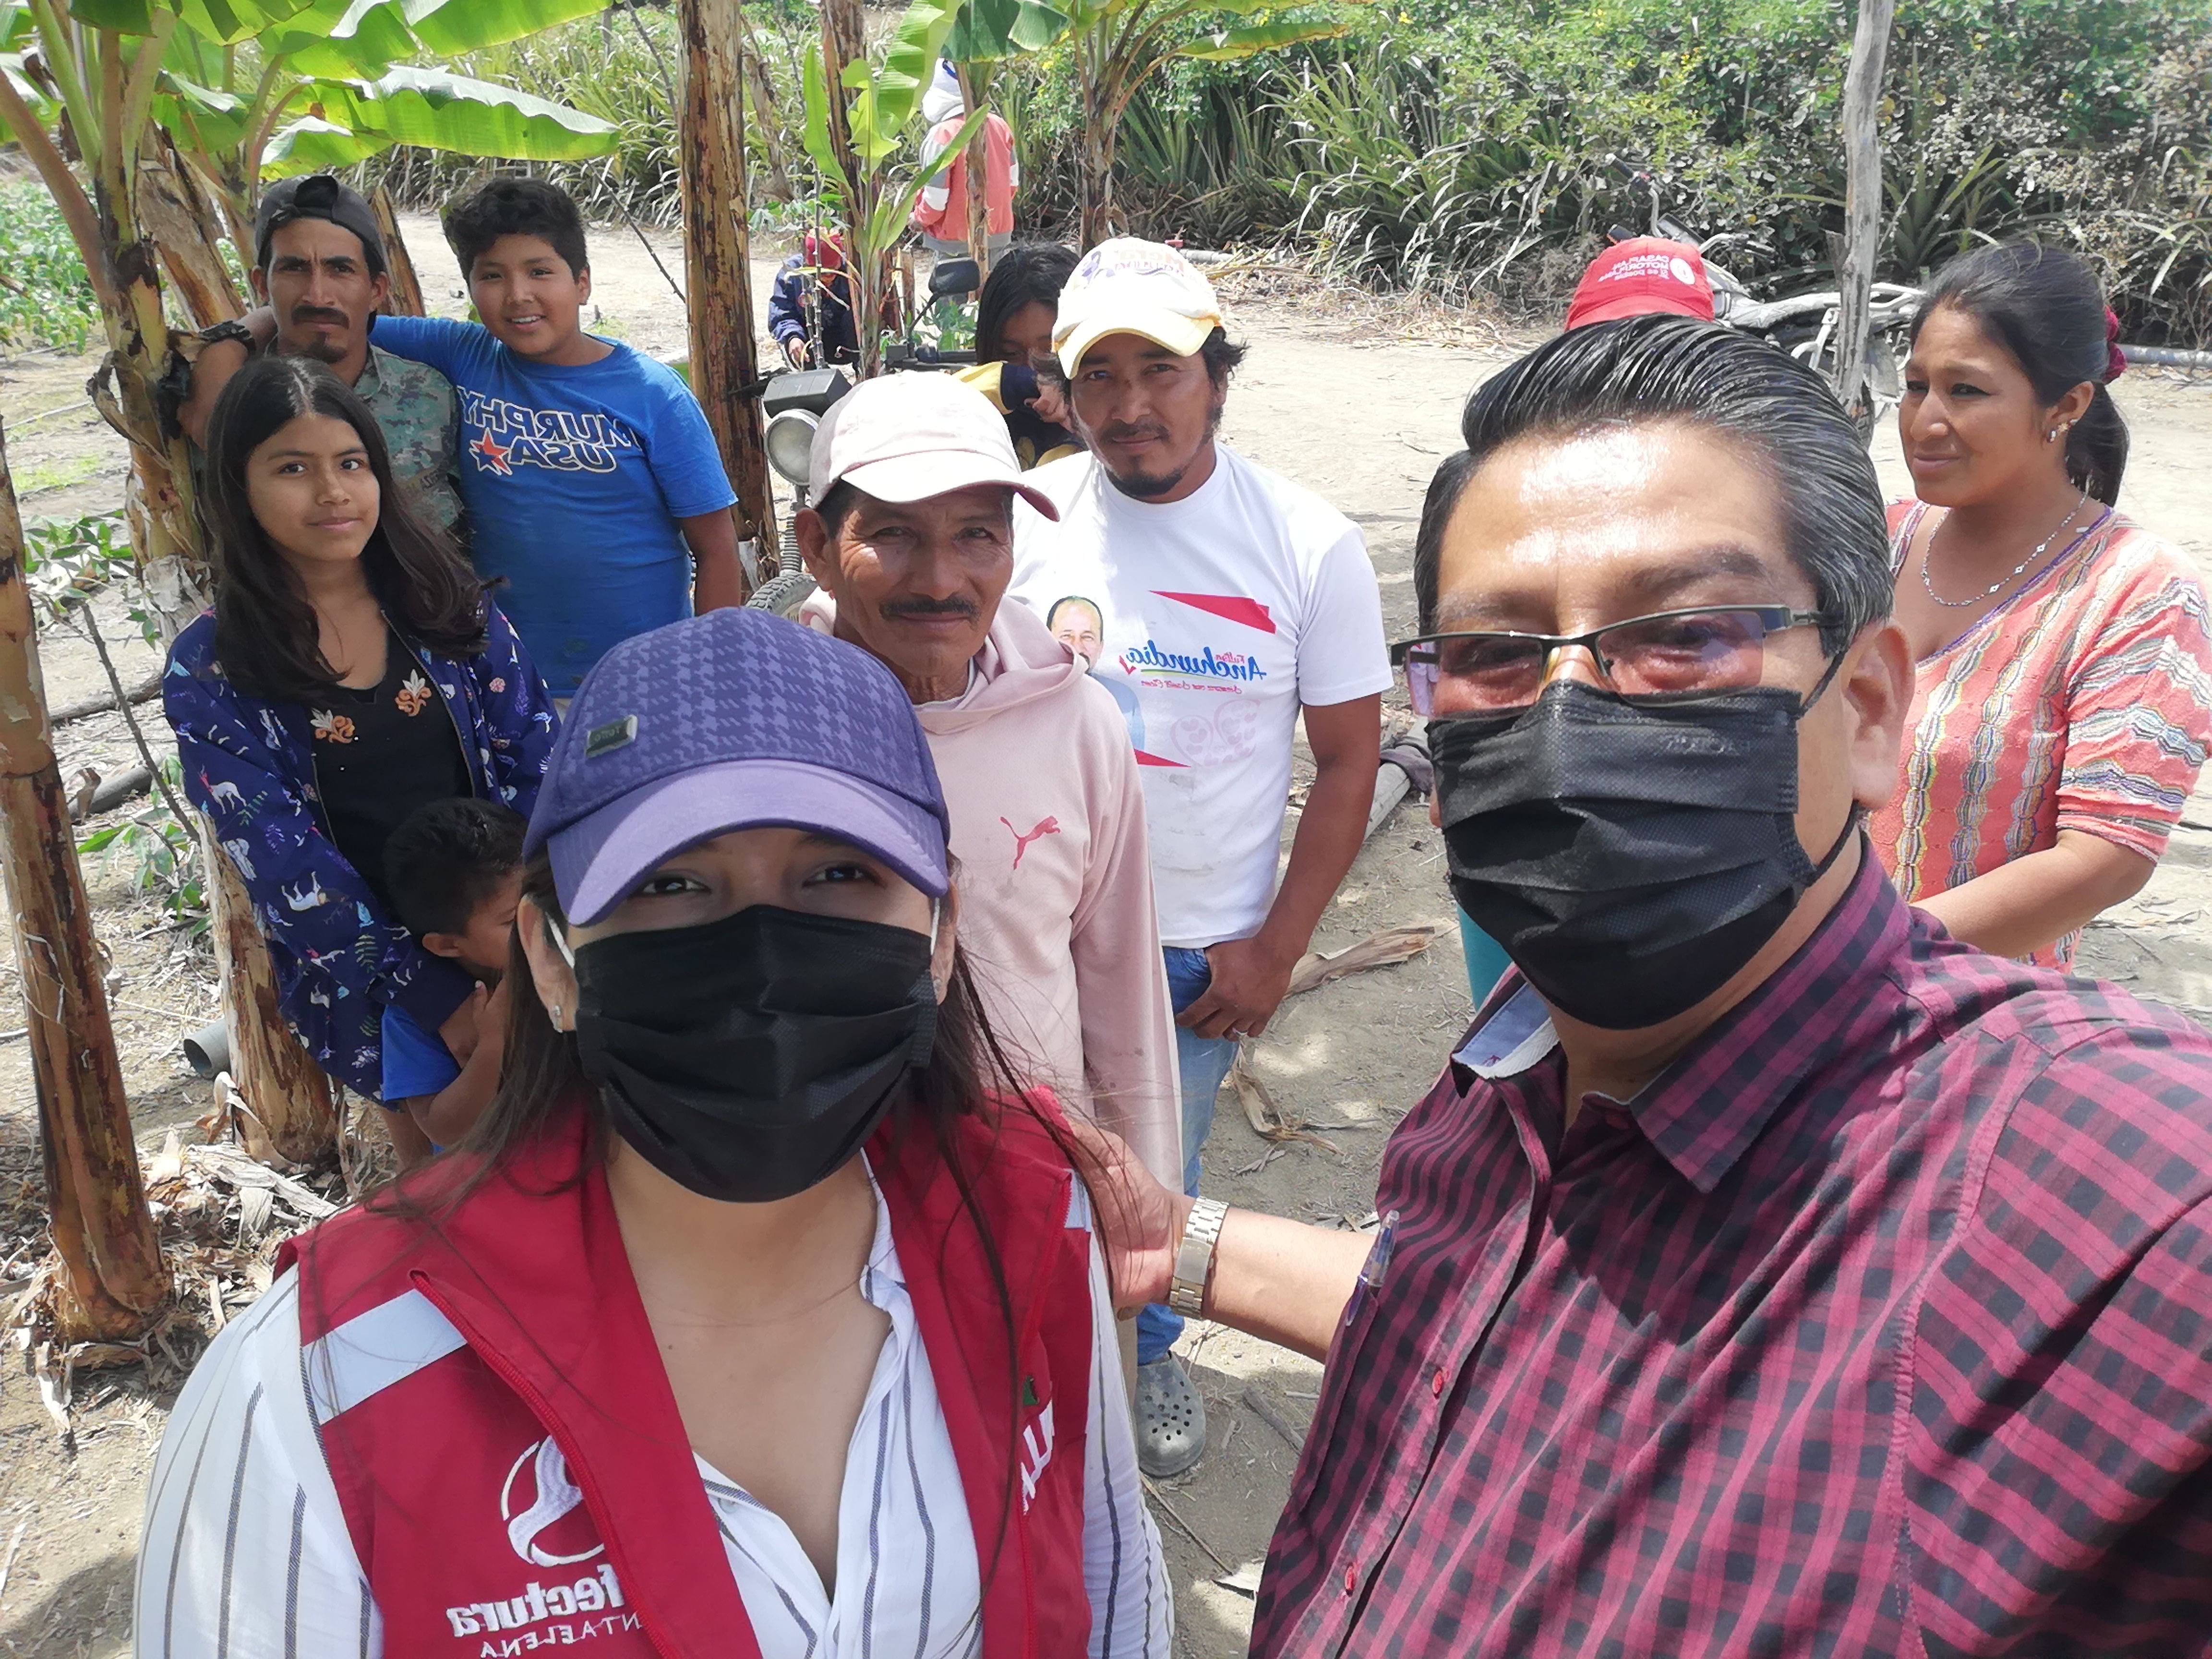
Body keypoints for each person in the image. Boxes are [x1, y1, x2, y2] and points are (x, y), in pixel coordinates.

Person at [1074, 313, 2212, 1654]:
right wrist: (1174, 1242)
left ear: (1866, 710)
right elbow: (1507, 1310)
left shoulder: (2103, 1205)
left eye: (1681, 633)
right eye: (1496, 655)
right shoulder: (1523, 1044)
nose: (1570, 713)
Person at [137, 607, 1170, 1659]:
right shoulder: (318, 1394)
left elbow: (1109, 1591)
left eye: (839, 874)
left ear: (942, 936)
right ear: (551, 962)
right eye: (671, 884)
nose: (763, 958)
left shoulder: (1033, 1216)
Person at [1010, 238, 1389, 1476]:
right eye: (1098, 375)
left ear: (1217, 377)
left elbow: (1349, 763)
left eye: (1161, 369)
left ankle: (1150, 1344)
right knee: (1015, 1155)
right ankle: (1025, 1352)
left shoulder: (1307, 543)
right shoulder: (1026, 522)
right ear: (1063, 392)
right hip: (1031, 927)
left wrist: (1275, 948)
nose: (1130, 405)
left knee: (1152, 1177)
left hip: (1192, 950)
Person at [793, 372, 1180, 1190]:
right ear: (818, 547)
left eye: (976, 534)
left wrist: (1141, 1192)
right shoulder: (769, 732)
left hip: (1033, 1182)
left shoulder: (1076, 722)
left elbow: (1120, 980)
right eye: (893, 534)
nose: (940, 581)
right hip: (830, 1196)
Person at [163, 357, 558, 1103]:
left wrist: (537, 942)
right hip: (369, 991)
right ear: (238, 487)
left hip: (521, 946)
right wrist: (434, 998)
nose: (333, 491)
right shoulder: (214, 667)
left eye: (351, 463)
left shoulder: (447, 604)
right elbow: (284, 864)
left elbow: (537, 767)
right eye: (292, 468)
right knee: (441, 1156)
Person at [1875, 240, 2212, 965]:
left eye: (1966, 391)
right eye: (1915, 385)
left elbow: (2105, 857)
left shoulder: (2138, 592)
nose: (1924, 421)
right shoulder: (1877, 541)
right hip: (1779, 986)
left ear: (2066, 405)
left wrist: (1866, 960)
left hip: (1966, 1008)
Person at [367, 176, 746, 694]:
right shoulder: (466, 354)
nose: (518, 295)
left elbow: (717, 548)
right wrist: (252, 327)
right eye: (492, 275)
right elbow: (340, 323)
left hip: (644, 677)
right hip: (508, 678)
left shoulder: (653, 395)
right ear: (471, 288)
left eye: (540, 271)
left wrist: (714, 675)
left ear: (582, 283)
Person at [178, 173, 463, 536]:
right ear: (262, 285)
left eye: (340, 269)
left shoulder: (429, 395)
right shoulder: (221, 395)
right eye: (294, 268)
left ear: (376, 290)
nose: (317, 295)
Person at [379, 797, 528, 1166]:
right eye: (513, 920)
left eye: (547, 899)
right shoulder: (413, 1020)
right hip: (492, 1181)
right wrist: (494, 1044)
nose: (543, 922)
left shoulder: (574, 968)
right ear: (447, 945)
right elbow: (445, 1131)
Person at [957, 243, 1082, 469]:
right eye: (1011, 354)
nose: (1034, 368)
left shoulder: (1106, 428)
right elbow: (928, 403)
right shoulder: (974, 420)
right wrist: (1013, 383)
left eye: (1050, 352)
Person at [911, 61, 1017, 261]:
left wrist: (919, 219)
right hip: (998, 235)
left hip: (954, 243)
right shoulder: (1000, 125)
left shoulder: (943, 134)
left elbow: (936, 200)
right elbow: (1012, 184)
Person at [768, 229, 861, 369]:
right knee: (792, 342)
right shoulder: (791, 273)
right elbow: (782, 315)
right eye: (821, 273)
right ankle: (812, 377)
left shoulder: (853, 268)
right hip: (809, 341)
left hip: (846, 342)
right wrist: (793, 337)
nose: (827, 277)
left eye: (832, 270)